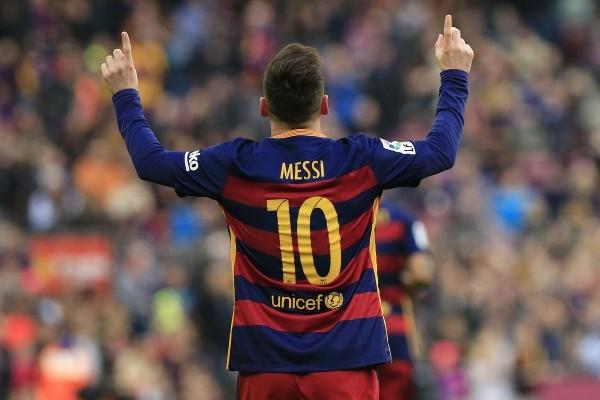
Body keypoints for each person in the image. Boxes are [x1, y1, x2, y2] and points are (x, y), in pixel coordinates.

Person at [100, 14, 473, 400]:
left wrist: (126, 94)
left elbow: (152, 162)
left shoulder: (235, 166)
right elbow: (440, 151)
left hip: (266, 366)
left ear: (264, 107)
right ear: (324, 105)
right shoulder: (362, 160)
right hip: (346, 364)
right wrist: (455, 75)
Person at [375, 201, 435, 400]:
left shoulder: (343, 213)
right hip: (395, 326)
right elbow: (422, 273)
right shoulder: (403, 219)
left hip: (351, 323)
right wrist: (407, 284)